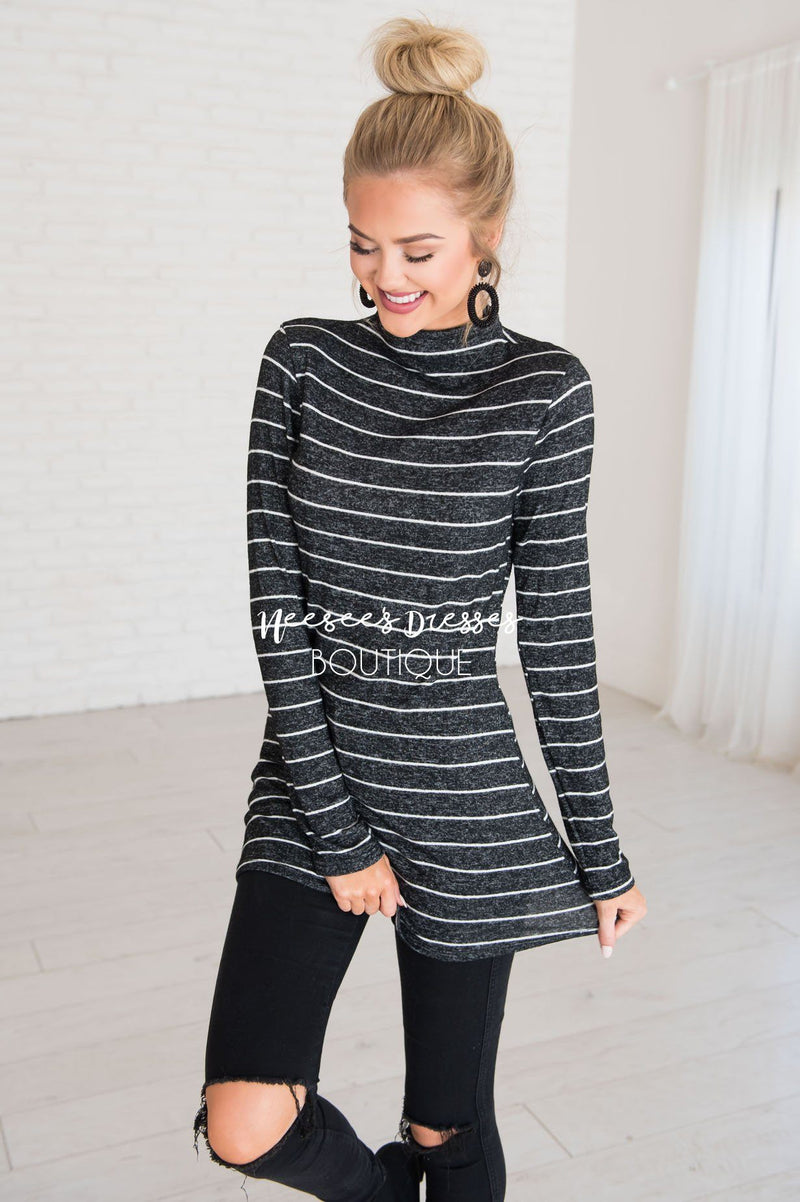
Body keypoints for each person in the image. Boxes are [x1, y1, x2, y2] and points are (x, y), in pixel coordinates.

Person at [192, 14, 647, 1202]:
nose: (383, 275)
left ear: (485, 236)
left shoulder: (545, 391)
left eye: (417, 248)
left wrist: (599, 851)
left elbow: (554, 634)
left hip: (462, 791)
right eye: (361, 244)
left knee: (446, 1124)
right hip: (312, 777)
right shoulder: (302, 360)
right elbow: (277, 606)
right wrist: (339, 832)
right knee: (243, 1116)